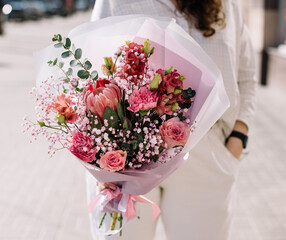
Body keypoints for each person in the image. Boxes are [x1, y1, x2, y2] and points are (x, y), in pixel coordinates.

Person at [87, 0, 257, 239]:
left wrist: (238, 136)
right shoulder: (116, 3)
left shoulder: (227, 5)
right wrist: (100, 160)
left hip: (207, 152)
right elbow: (92, 76)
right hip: (131, 157)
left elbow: (247, 75)